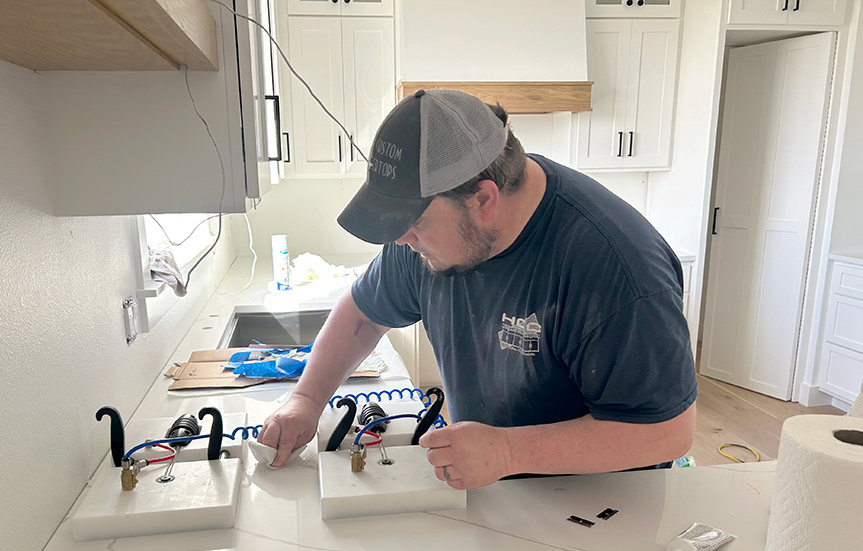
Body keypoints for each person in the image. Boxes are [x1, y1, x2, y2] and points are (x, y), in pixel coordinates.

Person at [258, 89, 697, 489]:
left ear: (484, 200)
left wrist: (508, 452)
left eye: (413, 224)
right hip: (494, 489)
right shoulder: (426, 239)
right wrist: (306, 399)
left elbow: (667, 432)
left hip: (602, 505)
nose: (401, 241)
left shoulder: (616, 269)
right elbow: (363, 314)